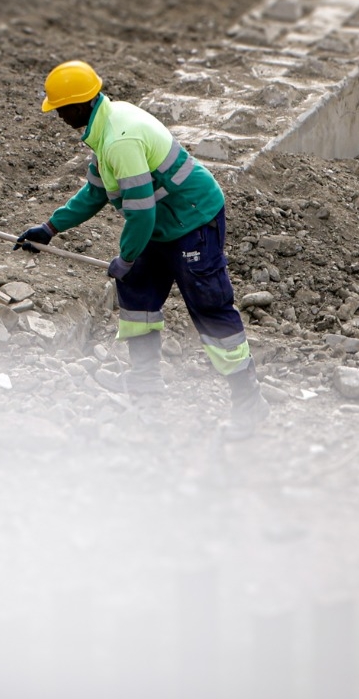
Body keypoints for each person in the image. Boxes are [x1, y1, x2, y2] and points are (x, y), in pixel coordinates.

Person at [15, 60, 269, 440]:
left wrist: (127, 258)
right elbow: (96, 193)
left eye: (61, 108)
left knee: (209, 307)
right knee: (137, 302)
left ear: (79, 106)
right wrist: (51, 228)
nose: (59, 116)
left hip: (193, 221)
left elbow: (141, 214)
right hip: (162, 224)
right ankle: (147, 400)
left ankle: (249, 405)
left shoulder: (120, 139)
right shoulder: (104, 128)